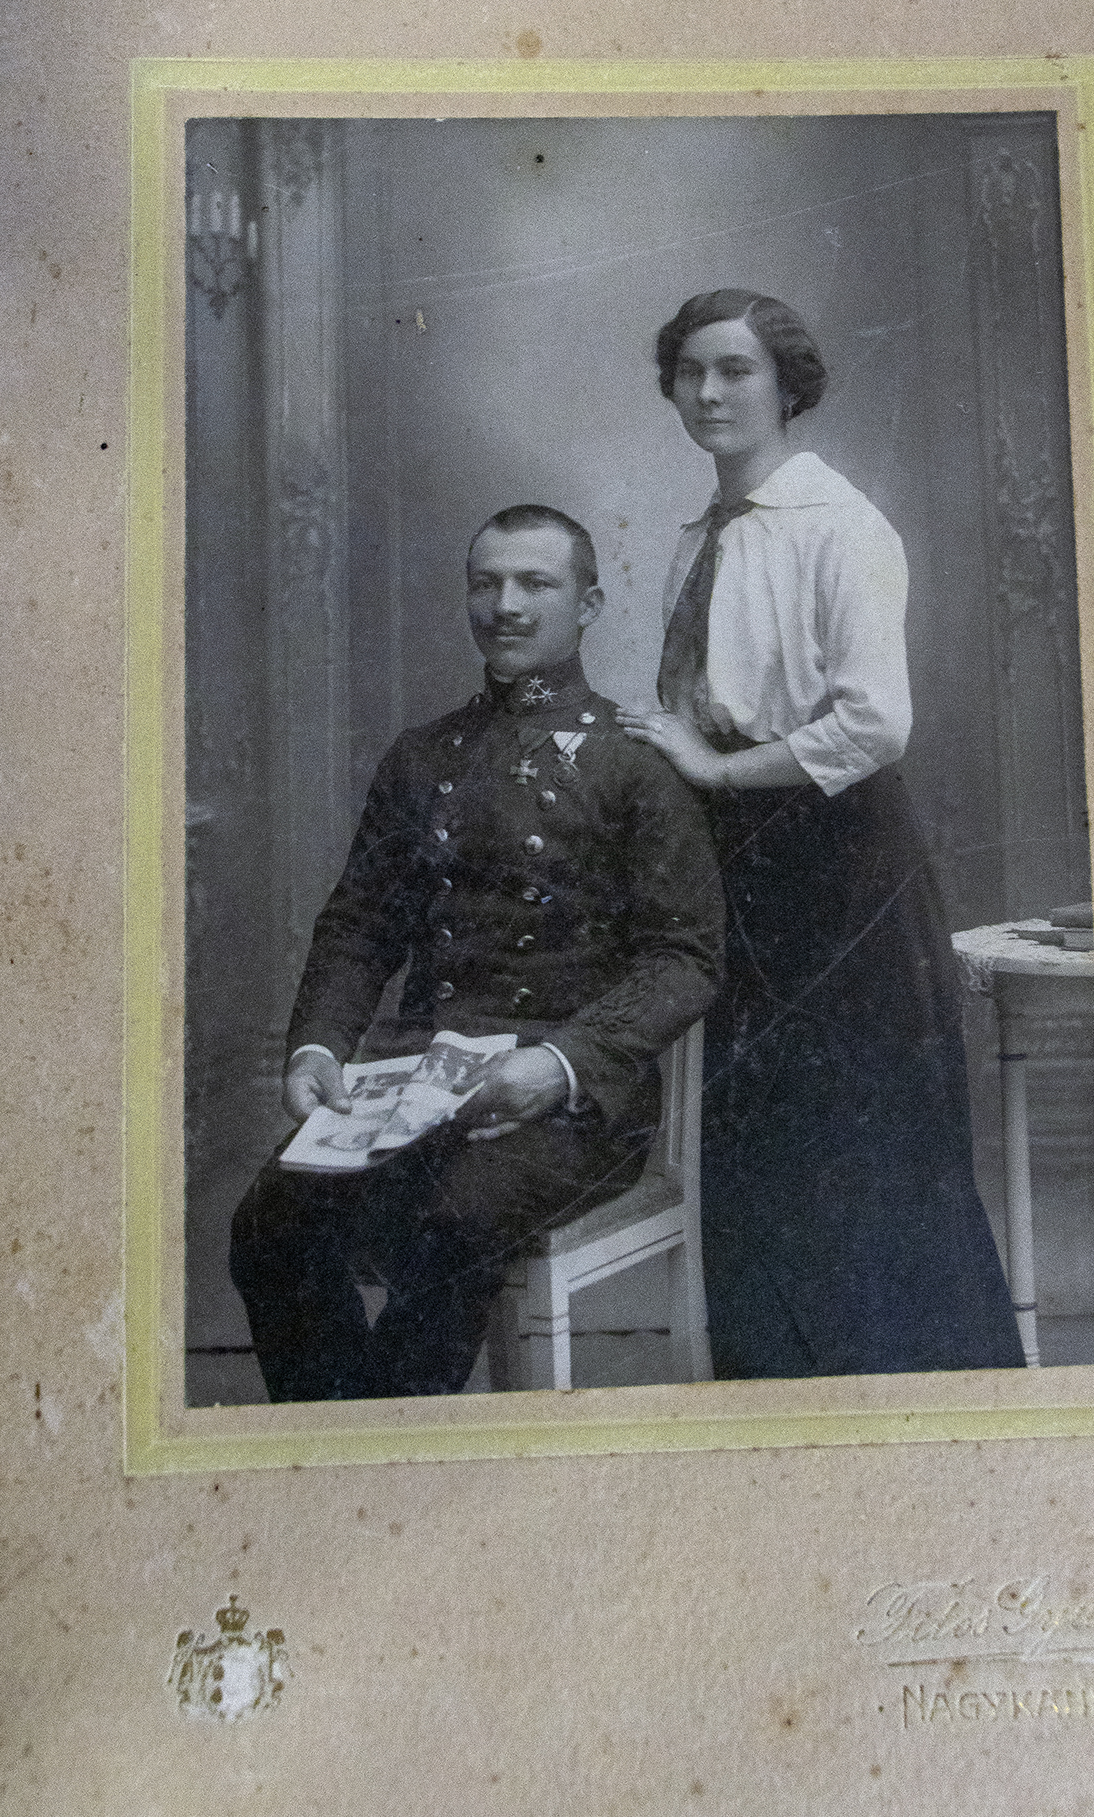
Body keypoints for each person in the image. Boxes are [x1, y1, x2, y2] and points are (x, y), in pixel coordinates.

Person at [617, 289, 1025, 1378]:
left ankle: (916, 1416)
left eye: (735, 370)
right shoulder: (701, 538)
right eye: (690, 372)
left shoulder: (842, 526)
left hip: (845, 871)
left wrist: (717, 768)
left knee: (865, 1155)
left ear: (786, 386)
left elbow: (875, 724)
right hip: (742, 866)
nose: (709, 393)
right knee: (760, 1155)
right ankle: (780, 1410)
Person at [230, 505, 725, 1402]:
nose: (507, 606)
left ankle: (374, 1446)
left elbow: (684, 957)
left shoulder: (636, 762)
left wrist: (559, 1063)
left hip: (573, 1100)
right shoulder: (420, 758)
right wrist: (317, 1047)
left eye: (536, 583)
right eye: (486, 583)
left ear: (588, 605)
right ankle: (350, 1435)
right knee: (269, 1224)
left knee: (453, 1220)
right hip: (416, 1084)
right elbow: (359, 926)